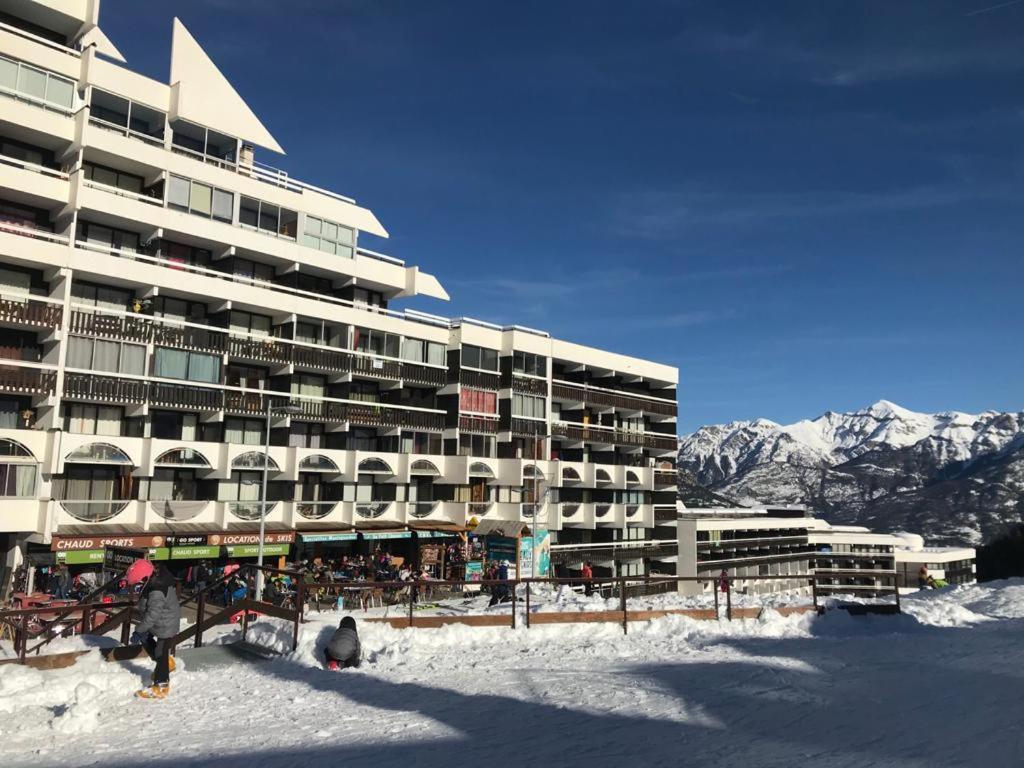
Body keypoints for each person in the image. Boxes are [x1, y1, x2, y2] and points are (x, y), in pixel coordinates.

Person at [127, 559, 181, 699]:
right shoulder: (153, 580)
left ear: (145, 577)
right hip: (159, 621)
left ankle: (161, 685)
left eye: (139, 582)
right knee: (146, 639)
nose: (138, 585)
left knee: (160, 651)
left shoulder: (157, 589)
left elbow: (153, 614)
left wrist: (139, 630)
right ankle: (166, 664)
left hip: (165, 624)